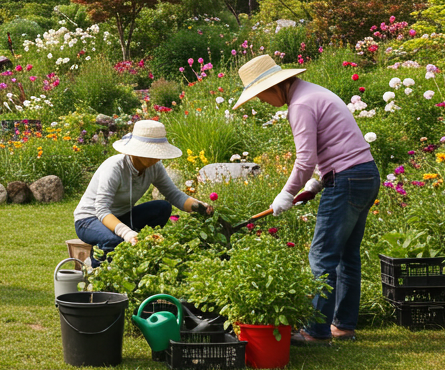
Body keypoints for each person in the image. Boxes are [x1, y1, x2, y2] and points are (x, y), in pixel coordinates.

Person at [231, 54, 379, 345]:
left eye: (260, 95)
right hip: (364, 174)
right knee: (347, 257)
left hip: (347, 180)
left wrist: (286, 194)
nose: (261, 101)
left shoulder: (299, 104)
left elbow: (305, 159)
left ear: (275, 87)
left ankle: (315, 331)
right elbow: (337, 146)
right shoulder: (314, 92)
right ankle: (343, 327)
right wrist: (315, 184)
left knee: (322, 256)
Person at [73, 119, 213, 264]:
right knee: (113, 240)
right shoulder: (115, 168)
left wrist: (198, 206)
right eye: (152, 152)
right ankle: (97, 273)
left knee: (162, 207)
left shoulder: (155, 167)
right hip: (89, 220)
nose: (157, 157)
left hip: (120, 216)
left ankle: (139, 250)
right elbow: (101, 210)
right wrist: (126, 233)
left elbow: (173, 194)